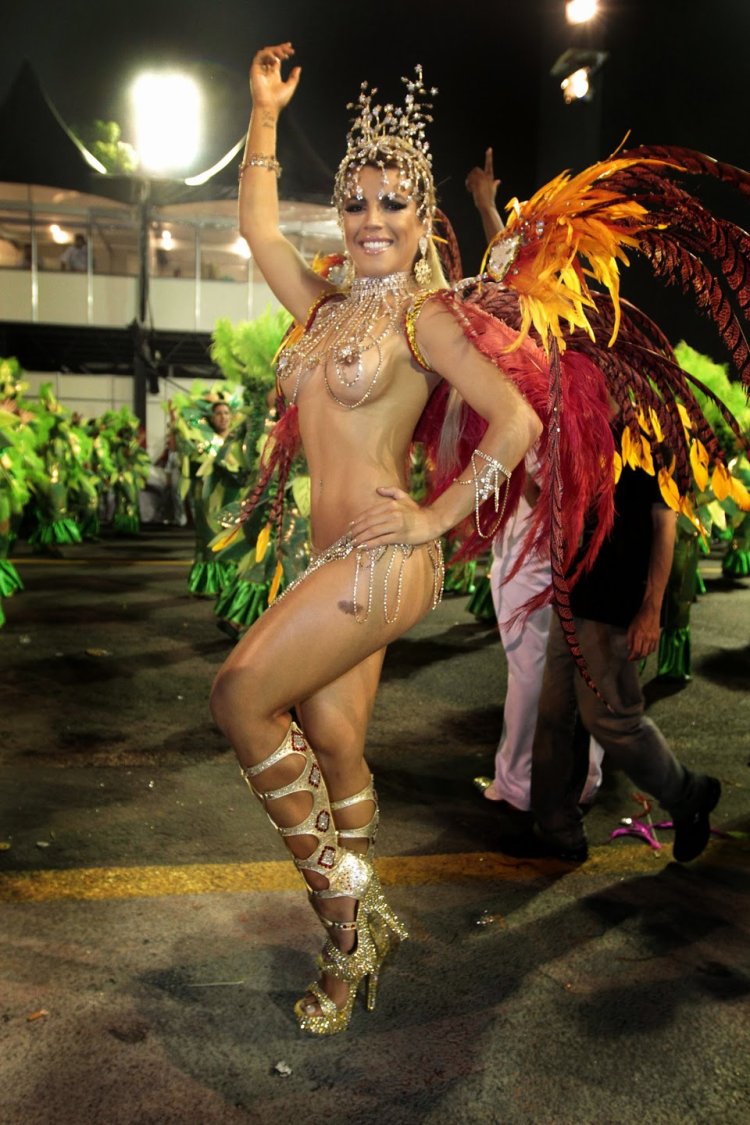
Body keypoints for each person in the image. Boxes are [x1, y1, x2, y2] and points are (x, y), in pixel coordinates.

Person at [208, 43, 543, 1037]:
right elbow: (257, 227)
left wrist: (437, 517)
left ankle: (345, 932)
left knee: (238, 693)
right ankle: (362, 924)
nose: (372, 219)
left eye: (395, 203)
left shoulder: (426, 319)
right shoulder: (319, 311)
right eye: (357, 202)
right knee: (337, 751)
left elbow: (517, 423)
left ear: (418, 216)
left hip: (386, 558)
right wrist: (263, 113)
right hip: (331, 564)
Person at [465, 150, 603, 816]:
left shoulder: (535, 357)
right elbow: (506, 276)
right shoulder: (576, 346)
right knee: (570, 660)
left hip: (538, 534)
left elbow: (501, 287)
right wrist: (490, 208)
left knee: (531, 661)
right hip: (569, 531)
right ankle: (583, 775)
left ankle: (519, 780)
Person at [530, 458, 721, 863]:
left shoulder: (650, 439)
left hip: (615, 606)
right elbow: (549, 504)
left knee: (612, 720)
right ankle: (555, 823)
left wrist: (650, 611)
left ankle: (689, 795)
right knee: (554, 714)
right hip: (571, 595)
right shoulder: (575, 427)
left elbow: (665, 525)